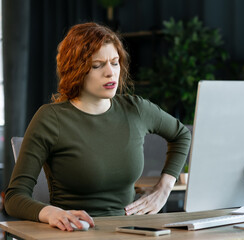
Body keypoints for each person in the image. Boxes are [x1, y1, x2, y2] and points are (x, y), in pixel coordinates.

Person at [4, 22, 191, 231]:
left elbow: (182, 134)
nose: (111, 73)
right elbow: (14, 196)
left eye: (115, 62)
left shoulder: (135, 109)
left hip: (134, 232)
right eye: (98, 65)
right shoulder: (50, 119)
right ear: (76, 70)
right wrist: (51, 213)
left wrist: (163, 189)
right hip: (75, 233)